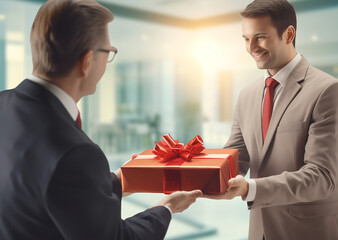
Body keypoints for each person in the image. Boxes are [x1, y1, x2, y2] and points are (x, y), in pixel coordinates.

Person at [0, 0, 202, 239]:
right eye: (109, 52)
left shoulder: (4, 104)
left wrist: (120, 180)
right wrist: (166, 209)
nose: (108, 59)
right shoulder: (76, 152)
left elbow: (56, 190)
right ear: (87, 61)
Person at [205, 0, 338, 239]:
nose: (251, 47)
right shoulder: (247, 95)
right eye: (245, 38)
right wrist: (188, 165)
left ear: (289, 34)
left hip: (312, 232)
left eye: (260, 37)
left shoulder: (327, 90)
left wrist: (250, 188)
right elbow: (235, 159)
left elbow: (321, 177)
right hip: (260, 231)